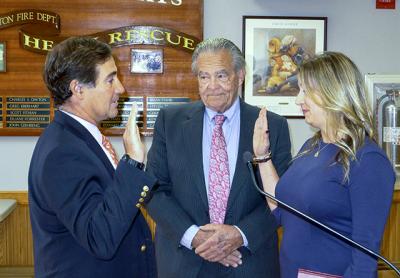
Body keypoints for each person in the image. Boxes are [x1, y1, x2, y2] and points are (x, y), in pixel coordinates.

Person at [146, 37, 292, 277]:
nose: (212, 86)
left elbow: (282, 197)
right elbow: (154, 189)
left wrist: (239, 234)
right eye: (204, 77)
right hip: (184, 263)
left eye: (221, 76)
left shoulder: (271, 126)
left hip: (247, 262)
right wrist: (195, 238)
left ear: (240, 75)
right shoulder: (169, 121)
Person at [253, 51, 395, 278]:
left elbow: (364, 259)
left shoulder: (367, 160)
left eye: (306, 91)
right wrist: (263, 157)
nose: (298, 99)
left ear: (333, 92)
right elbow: (282, 213)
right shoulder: (311, 147)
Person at [28, 37, 157, 278]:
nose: (120, 88)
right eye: (110, 79)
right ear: (78, 89)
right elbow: (100, 237)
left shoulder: (78, 139)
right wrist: (132, 163)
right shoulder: (62, 152)